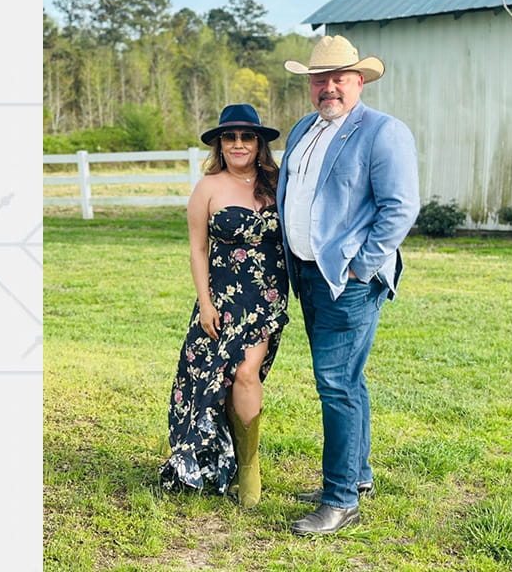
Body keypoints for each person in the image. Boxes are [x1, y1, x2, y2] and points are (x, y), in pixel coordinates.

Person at [278, 35, 420, 534]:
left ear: (360, 80)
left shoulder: (383, 132)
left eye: (340, 77)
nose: (329, 87)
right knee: (348, 380)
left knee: (335, 384)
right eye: (320, 78)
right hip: (308, 275)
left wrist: (363, 266)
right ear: (310, 84)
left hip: (348, 281)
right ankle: (356, 476)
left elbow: (400, 207)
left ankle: (339, 499)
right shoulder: (303, 130)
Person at [159, 104, 289, 509]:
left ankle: (249, 468)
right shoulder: (208, 187)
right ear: (220, 144)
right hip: (222, 301)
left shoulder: (279, 183)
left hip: (266, 298)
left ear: (259, 143)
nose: (237, 144)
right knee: (218, 382)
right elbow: (198, 250)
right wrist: (205, 304)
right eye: (229, 137)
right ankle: (219, 460)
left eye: (246, 137)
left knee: (247, 374)